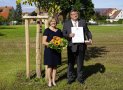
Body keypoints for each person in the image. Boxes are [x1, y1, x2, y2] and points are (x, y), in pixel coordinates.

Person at [62, 9, 92, 84]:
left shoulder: (82, 21)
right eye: (73, 14)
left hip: (81, 45)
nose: (75, 15)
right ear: (70, 15)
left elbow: (87, 31)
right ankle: (70, 78)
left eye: (76, 13)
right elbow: (63, 34)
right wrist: (69, 35)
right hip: (71, 46)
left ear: (78, 14)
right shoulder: (66, 23)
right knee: (70, 63)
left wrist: (90, 38)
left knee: (80, 63)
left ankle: (80, 78)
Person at [42, 17, 62, 87]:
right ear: (49, 22)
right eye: (52, 21)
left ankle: (53, 80)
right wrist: (51, 44)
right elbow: (43, 42)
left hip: (57, 51)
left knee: (55, 66)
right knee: (50, 66)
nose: (53, 23)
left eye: (54, 21)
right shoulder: (46, 30)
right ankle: (49, 81)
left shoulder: (59, 31)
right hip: (49, 51)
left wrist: (61, 44)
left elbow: (61, 40)